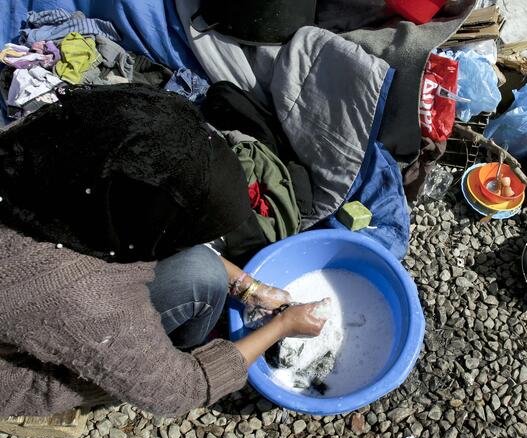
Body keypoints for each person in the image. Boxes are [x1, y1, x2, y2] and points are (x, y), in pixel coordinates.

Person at [0, 84, 328, 416]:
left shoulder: (49, 150)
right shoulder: (88, 297)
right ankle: (164, 354)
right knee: (196, 281)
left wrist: (250, 288)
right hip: (23, 374)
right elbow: (182, 392)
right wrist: (284, 326)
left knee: (202, 268)